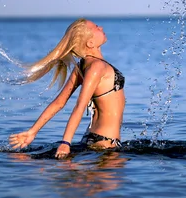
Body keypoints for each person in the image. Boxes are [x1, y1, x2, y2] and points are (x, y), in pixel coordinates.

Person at [9, 19, 125, 159]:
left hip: (96, 139)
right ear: (90, 43)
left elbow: (59, 103)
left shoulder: (83, 66)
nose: (101, 27)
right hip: (106, 144)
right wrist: (65, 142)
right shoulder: (96, 68)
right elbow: (79, 106)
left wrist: (32, 132)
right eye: (96, 27)